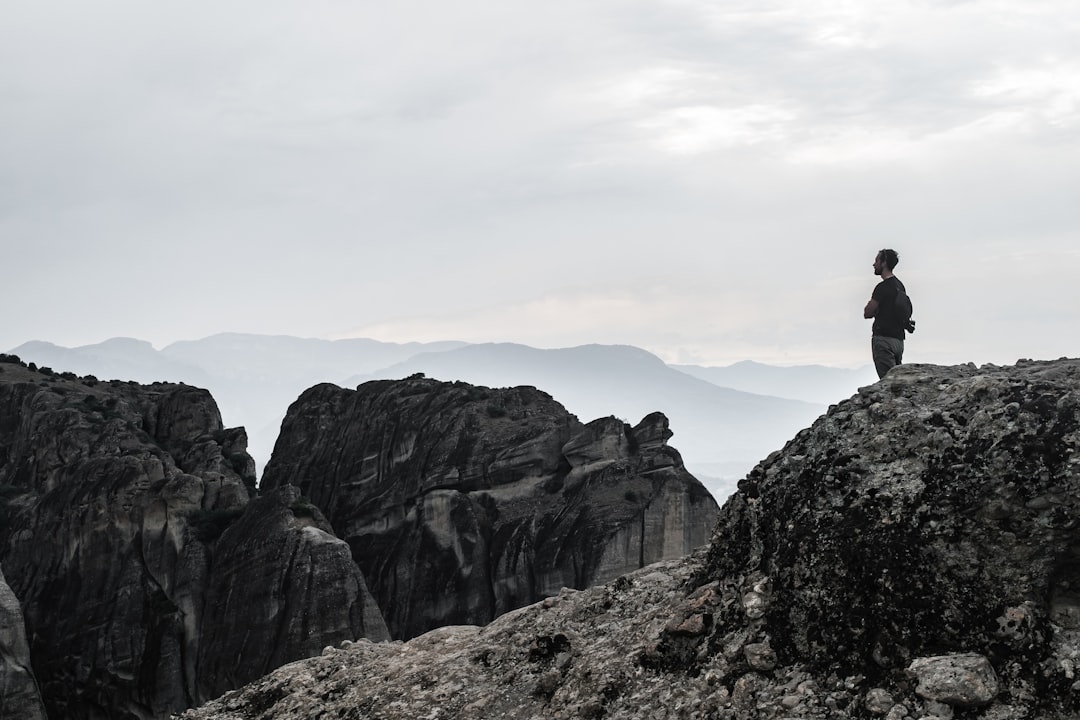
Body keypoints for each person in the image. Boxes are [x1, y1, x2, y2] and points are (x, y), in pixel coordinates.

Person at [863, 248, 909, 379]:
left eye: (877, 260)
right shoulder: (900, 286)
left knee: (888, 381)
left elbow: (868, 312)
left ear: (884, 263)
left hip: (883, 339)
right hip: (899, 341)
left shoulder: (881, 288)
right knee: (897, 379)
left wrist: (874, 309)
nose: (874, 264)